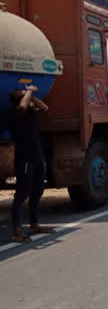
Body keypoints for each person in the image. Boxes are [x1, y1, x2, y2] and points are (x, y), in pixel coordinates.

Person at [9, 85, 55, 242]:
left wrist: (30, 93)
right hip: (25, 159)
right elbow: (22, 106)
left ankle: (34, 224)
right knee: (22, 194)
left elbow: (45, 107)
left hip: (37, 157)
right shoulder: (15, 113)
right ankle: (17, 231)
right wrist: (28, 91)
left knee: (37, 191)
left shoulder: (30, 112)